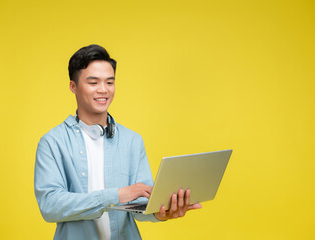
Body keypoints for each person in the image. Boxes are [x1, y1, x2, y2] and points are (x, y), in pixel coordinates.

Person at [34, 44, 202, 240]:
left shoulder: (132, 140)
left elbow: (141, 203)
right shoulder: (52, 142)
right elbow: (50, 206)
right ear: (73, 86)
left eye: (110, 82)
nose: (103, 90)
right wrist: (117, 195)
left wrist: (162, 212)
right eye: (93, 82)